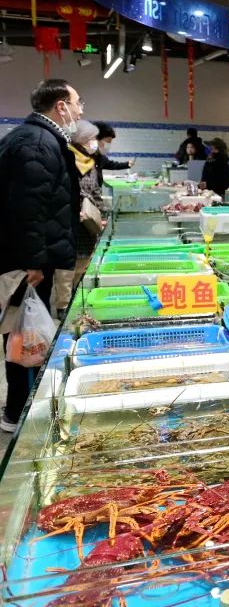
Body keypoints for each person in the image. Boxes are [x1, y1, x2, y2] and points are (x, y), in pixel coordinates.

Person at [0, 78, 83, 432]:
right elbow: (27, 209)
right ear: (61, 106)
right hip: (26, 262)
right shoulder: (37, 142)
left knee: (24, 332)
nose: (80, 110)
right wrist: (33, 262)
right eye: (77, 103)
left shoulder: (39, 138)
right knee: (22, 334)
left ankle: (21, 407)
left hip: (28, 256)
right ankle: (18, 413)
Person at [69, 121, 105, 270]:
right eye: (92, 138)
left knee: (84, 265)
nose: (95, 142)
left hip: (89, 225)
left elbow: (95, 191)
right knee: (73, 269)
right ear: (82, 140)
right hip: (73, 226)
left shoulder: (90, 162)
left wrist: (101, 214)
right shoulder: (69, 160)